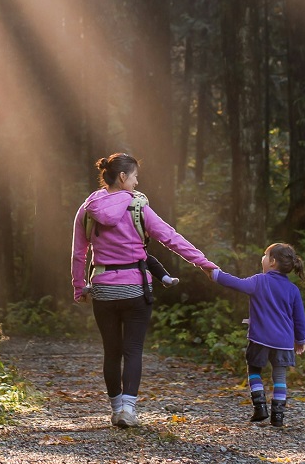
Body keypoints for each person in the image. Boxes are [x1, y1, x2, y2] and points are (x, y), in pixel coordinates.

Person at [71, 152, 217, 428]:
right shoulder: (138, 207)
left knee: (111, 351)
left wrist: (80, 287)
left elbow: (79, 254)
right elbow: (171, 238)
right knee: (133, 350)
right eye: (135, 176)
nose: (137, 182)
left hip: (103, 289)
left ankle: (116, 410)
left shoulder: (87, 208)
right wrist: (204, 264)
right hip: (136, 289)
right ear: (123, 177)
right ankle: (128, 409)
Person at [210, 242, 305, 427]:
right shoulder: (293, 290)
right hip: (284, 342)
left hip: (260, 338)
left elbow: (236, 283)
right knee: (280, 377)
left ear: (272, 262)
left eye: (265, 255)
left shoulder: (259, 281)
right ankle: (278, 416)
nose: (262, 258)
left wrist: (215, 274)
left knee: (254, 370)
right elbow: (299, 318)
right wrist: (300, 340)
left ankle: (260, 407)